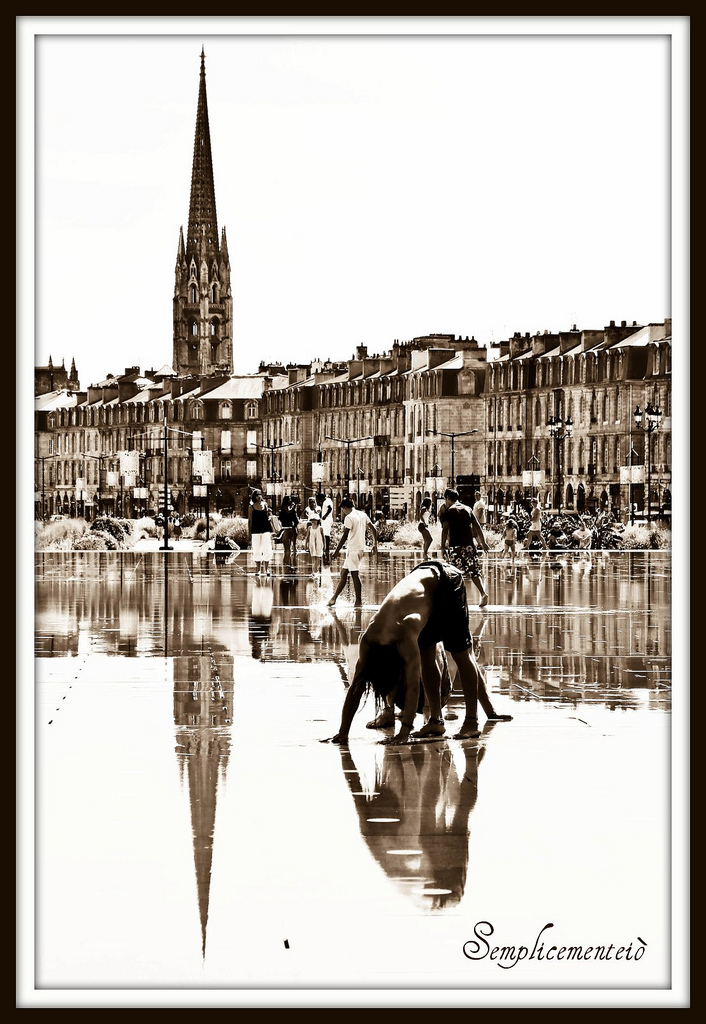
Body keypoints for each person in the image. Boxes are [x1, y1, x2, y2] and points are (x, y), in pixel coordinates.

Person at [323, 559, 512, 746]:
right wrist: (342, 732)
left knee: (460, 653)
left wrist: (405, 732)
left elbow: (413, 687)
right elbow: (356, 687)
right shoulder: (368, 639)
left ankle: (471, 721)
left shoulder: (405, 634)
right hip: (422, 581)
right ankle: (436, 722)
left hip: (445, 580)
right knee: (427, 652)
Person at [439, 488, 490, 608]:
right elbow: (477, 526)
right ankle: (483, 594)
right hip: (469, 545)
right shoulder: (468, 509)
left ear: (447, 498)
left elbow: (445, 529)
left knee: (454, 572)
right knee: (474, 571)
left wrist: (442, 547)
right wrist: (483, 543)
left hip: (456, 546)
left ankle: (454, 599)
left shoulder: (449, 511)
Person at [328, 496, 378, 607]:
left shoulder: (349, 517)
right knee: (344, 573)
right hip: (360, 549)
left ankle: (358, 601)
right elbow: (374, 528)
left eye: (343, 510)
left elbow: (344, 536)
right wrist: (375, 545)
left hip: (353, 551)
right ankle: (334, 598)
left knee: (355, 575)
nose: (343, 512)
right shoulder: (362, 515)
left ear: (345, 508)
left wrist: (336, 551)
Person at [247, 489, 274, 576]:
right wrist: (249, 532)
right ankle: (258, 570)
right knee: (256, 549)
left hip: (265, 529)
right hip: (255, 530)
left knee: (267, 548)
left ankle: (267, 569)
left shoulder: (265, 505)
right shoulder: (251, 507)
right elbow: (250, 520)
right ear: (254, 497)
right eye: (257, 495)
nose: (259, 496)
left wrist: (269, 513)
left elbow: (269, 516)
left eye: (260, 495)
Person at [278, 495, 300, 569]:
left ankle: (287, 564)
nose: (291, 500)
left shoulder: (289, 508)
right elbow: (289, 512)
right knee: (287, 548)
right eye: (289, 499)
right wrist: (294, 508)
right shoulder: (285, 508)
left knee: (288, 548)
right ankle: (286, 564)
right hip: (286, 528)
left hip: (289, 528)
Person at [320, 489, 334, 565]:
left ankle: (327, 548)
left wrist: (325, 516)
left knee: (326, 534)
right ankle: (326, 547)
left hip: (327, 520)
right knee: (325, 534)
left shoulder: (327, 501)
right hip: (326, 520)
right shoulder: (327, 501)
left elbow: (330, 508)